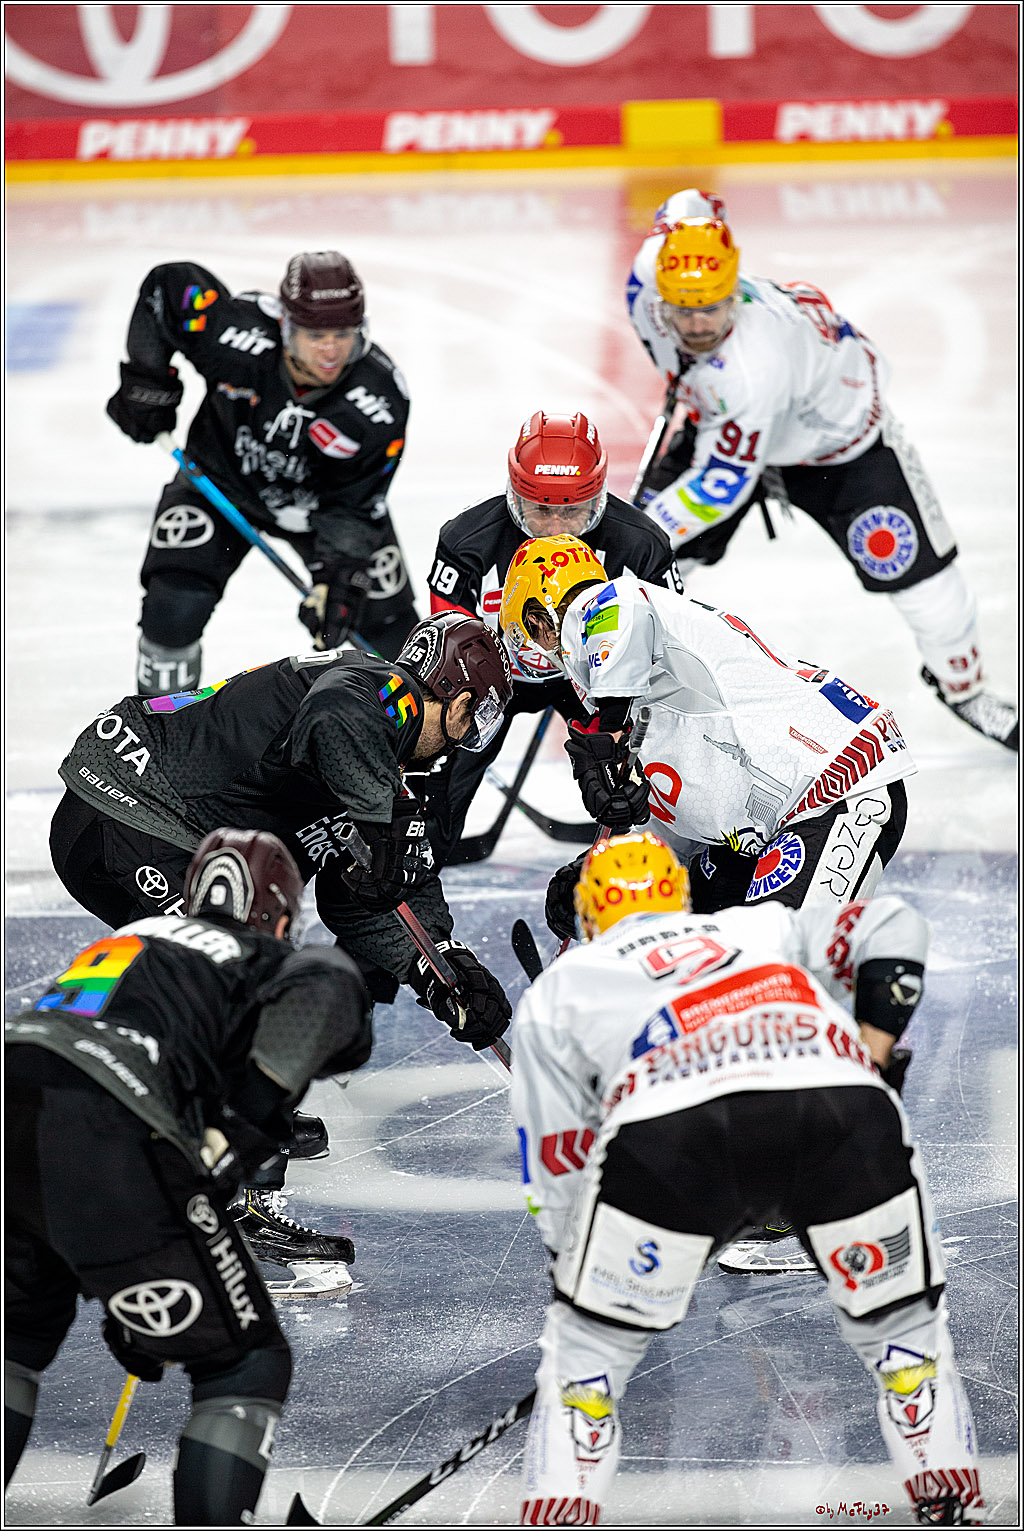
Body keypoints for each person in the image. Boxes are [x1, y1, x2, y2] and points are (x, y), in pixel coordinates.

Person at [510, 831, 985, 1528]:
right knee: (909, 1346)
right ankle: (954, 1506)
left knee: (585, 1373)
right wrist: (873, 1053)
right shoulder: (761, 923)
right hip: (841, 1113)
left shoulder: (563, 984)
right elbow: (896, 923)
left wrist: (584, 1296)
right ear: (681, 896)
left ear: (587, 919)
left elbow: (558, 1159)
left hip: (672, 1137)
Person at [48, 613, 514, 1259]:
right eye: (479, 718)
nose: (470, 739)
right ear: (461, 702)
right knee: (232, 982)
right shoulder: (379, 692)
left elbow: (370, 900)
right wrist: (378, 829)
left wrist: (443, 969)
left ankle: (231, 1117)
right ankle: (224, 1204)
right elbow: (334, 712)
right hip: (127, 813)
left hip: (155, 823)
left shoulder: (387, 751)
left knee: (249, 978)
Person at [5, 828, 374, 1525]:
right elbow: (331, 991)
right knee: (245, 1362)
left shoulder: (131, 939)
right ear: (277, 914)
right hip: (109, 1124)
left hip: (12, 1100)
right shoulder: (255, 953)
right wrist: (241, 1130)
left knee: (14, 1334)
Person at [625, 190, 1017, 752]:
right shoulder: (649, 276)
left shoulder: (755, 366)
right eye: (681, 309)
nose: (694, 324)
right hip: (727, 425)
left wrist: (639, 532)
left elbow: (721, 483)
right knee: (655, 565)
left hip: (840, 448)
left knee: (928, 589)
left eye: (710, 307)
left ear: (734, 290)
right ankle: (625, 678)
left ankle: (965, 688)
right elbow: (689, 204)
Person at [499, 535, 917, 933]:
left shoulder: (616, 603)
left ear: (540, 619)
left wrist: (606, 736)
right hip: (764, 827)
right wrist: (606, 869)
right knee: (694, 947)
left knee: (776, 964)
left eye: (527, 637)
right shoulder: (641, 684)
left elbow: (613, 614)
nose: (540, 655)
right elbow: (681, 820)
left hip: (835, 790)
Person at [106, 249, 419, 695]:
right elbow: (167, 288)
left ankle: (419, 749)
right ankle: (160, 729)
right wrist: (148, 383)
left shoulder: (380, 402)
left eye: (343, 334)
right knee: (172, 607)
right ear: (286, 325)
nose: (330, 351)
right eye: (314, 335)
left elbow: (356, 504)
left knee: (392, 633)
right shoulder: (237, 333)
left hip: (322, 513)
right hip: (218, 486)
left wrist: (340, 575)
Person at [422, 410, 683, 864]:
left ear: (598, 499)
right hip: (493, 675)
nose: (558, 528)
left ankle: (635, 866)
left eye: (573, 512)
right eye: (542, 510)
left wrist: (617, 730)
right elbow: (446, 646)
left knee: (631, 770)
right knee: (441, 762)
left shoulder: (642, 546)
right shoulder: (466, 541)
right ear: (516, 495)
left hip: (592, 679)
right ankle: (421, 863)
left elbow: (668, 644)